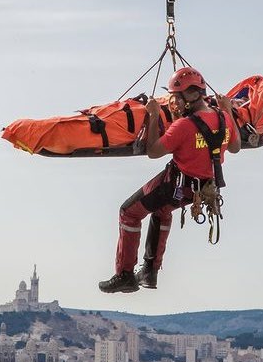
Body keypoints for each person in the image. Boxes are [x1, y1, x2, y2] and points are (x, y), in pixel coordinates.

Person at [98, 66, 241, 293]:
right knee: (162, 212)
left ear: (188, 97)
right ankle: (150, 272)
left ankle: (125, 274)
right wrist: (228, 111)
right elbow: (235, 146)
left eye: (175, 97)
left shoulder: (183, 126)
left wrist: (154, 115)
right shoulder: (223, 118)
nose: (173, 102)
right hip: (197, 190)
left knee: (129, 212)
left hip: (172, 184)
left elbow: (153, 151)